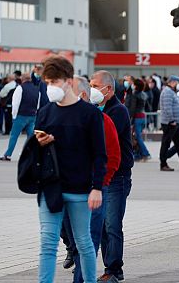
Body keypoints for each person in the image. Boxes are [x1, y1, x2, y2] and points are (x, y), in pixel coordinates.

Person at [33, 56, 106, 283]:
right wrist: (40, 144)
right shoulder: (44, 112)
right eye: (47, 82)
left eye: (54, 81)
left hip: (80, 189)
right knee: (47, 242)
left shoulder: (90, 114)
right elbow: (35, 153)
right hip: (51, 188)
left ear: (67, 80)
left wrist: (97, 188)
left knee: (83, 241)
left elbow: (99, 154)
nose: (50, 87)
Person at [67, 76, 121, 283]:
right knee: (73, 237)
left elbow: (114, 156)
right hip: (68, 189)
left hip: (93, 189)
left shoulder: (102, 120)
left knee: (88, 239)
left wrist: (101, 184)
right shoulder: (63, 117)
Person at [90, 70, 134, 282]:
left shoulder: (118, 111)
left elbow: (103, 137)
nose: (92, 89)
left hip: (118, 176)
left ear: (107, 89)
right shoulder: (99, 108)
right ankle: (109, 267)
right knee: (104, 226)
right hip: (103, 176)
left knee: (112, 225)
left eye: (95, 85)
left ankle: (114, 269)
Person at [0, 73, 40, 161]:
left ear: (22, 79)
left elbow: (15, 103)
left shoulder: (20, 88)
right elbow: (38, 104)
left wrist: (14, 115)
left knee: (14, 135)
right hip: (32, 116)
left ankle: (7, 155)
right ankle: (29, 154)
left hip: (21, 116)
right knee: (30, 137)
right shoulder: (37, 89)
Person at [158, 76, 179, 172]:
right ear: (173, 82)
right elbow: (167, 107)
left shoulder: (170, 92)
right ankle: (163, 163)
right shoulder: (167, 92)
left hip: (175, 123)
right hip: (170, 123)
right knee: (166, 143)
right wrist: (171, 120)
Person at [128, 78, 151, 162]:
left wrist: (129, 118)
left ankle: (146, 153)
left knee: (137, 136)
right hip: (143, 116)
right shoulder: (144, 94)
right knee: (138, 136)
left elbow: (133, 108)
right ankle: (139, 155)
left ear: (136, 86)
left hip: (137, 117)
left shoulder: (135, 95)